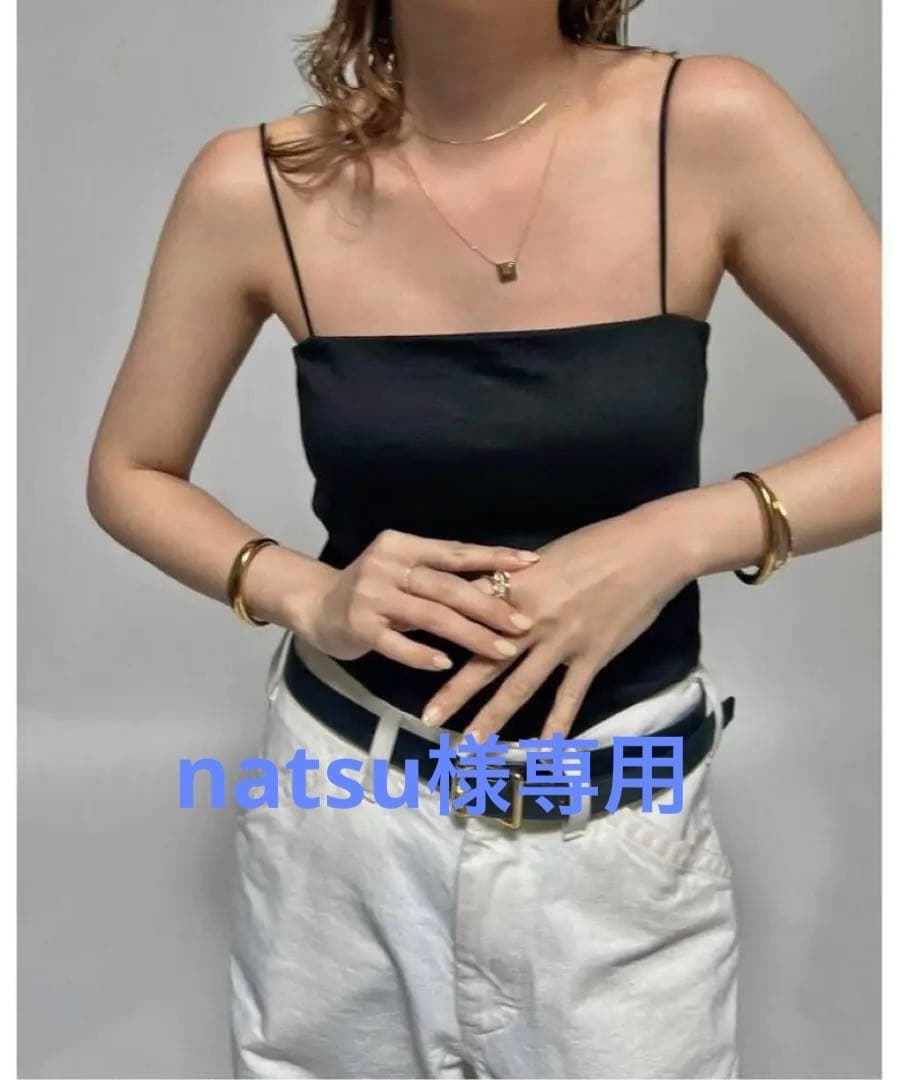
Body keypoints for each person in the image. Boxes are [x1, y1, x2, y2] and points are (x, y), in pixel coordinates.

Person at [86, 1, 881, 1077]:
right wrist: (301, 592)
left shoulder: (706, 123)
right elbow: (128, 470)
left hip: (617, 827)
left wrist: (672, 536)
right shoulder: (259, 184)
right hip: (344, 819)